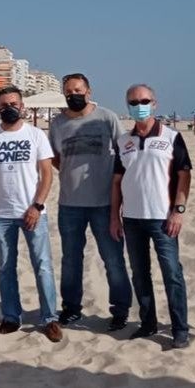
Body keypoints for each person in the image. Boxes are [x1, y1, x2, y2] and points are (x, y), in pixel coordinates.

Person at [0, 87, 62, 342]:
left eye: (13, 103)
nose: (8, 107)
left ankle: (49, 318)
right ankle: (11, 317)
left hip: (32, 211)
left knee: (42, 265)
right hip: (0, 213)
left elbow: (47, 174)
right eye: (3, 104)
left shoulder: (35, 135)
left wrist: (38, 206)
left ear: (21, 106)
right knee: (6, 267)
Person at [110, 84, 192, 349]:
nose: (139, 105)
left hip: (163, 219)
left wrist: (178, 211)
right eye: (133, 102)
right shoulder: (124, 141)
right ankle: (148, 323)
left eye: (144, 100)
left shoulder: (171, 137)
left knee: (172, 274)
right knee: (140, 274)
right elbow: (116, 182)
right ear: (128, 105)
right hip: (132, 220)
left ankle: (180, 328)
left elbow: (184, 175)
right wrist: (114, 216)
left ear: (154, 103)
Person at [47, 73, 131, 329]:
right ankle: (71, 308)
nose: (74, 94)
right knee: (71, 259)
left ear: (89, 91)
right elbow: (55, 158)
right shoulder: (58, 123)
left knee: (113, 258)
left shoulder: (107, 118)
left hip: (105, 203)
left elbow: (124, 153)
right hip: (69, 204)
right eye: (69, 91)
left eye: (78, 90)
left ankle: (120, 310)